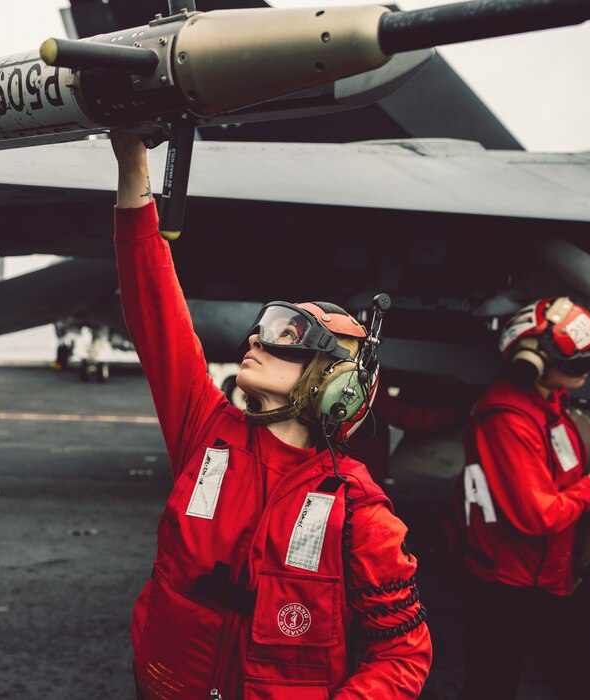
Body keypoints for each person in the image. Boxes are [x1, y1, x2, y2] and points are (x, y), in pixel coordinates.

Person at [111, 133, 430, 699]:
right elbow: (152, 304)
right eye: (263, 329)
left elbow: (402, 653)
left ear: (334, 383)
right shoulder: (205, 431)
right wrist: (134, 165)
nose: (256, 339)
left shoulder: (360, 513)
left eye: (287, 339)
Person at [445, 297, 590, 699]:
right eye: (577, 364)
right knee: (492, 682)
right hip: (505, 579)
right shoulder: (507, 418)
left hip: (547, 573)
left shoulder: (550, 398)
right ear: (532, 363)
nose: (587, 374)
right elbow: (539, 515)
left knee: (576, 671)